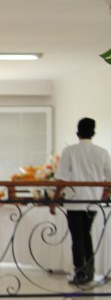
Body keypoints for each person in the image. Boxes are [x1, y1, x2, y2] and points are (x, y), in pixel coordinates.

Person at [51, 117, 111, 285]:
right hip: (92, 200)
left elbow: (61, 179)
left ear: (77, 133)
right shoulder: (102, 152)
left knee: (77, 238)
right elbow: (109, 179)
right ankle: (90, 270)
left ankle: (80, 273)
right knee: (86, 235)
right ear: (93, 133)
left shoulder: (70, 151)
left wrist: (54, 201)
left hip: (74, 200)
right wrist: (105, 192)